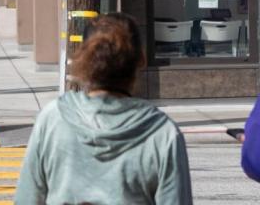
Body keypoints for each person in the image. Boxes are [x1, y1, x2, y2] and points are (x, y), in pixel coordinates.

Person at [15, 13, 192, 204]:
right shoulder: (162, 133)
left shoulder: (52, 119)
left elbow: (27, 198)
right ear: (141, 59)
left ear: (83, 57)